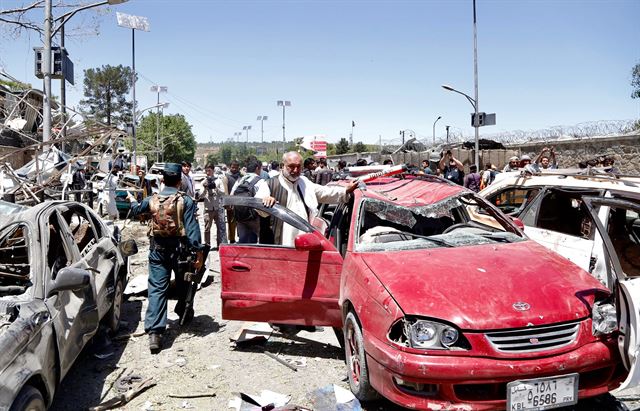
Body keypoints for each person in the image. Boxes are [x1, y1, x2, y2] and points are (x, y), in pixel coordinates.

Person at [127, 163, 204, 353]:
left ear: (162, 180)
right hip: (181, 252)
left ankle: (155, 332)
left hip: (157, 251)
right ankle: (183, 313)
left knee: (157, 289)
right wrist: (199, 252)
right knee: (184, 283)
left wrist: (131, 200)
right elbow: (193, 231)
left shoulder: (152, 200)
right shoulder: (185, 200)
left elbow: (137, 211)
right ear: (179, 181)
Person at [256, 152, 358, 246]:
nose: (295, 170)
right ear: (282, 166)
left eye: (298, 167)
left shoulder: (304, 182)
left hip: (305, 242)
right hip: (280, 245)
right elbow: (259, 205)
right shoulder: (269, 184)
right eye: (291, 167)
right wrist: (266, 200)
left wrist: (346, 190)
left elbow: (324, 192)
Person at [231, 158, 263, 243]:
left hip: (240, 216)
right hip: (254, 218)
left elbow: (231, 195)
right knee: (256, 242)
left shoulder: (240, 180)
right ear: (257, 168)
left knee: (243, 240)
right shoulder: (260, 181)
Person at [203, 164, 224, 248]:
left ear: (213, 170)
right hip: (208, 208)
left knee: (219, 228)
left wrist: (216, 187)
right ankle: (207, 245)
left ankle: (219, 245)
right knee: (207, 228)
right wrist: (205, 188)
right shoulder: (204, 181)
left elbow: (223, 193)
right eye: (206, 171)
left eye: (209, 170)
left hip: (217, 207)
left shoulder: (218, 180)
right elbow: (200, 195)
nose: (208, 172)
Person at [225, 160, 242, 243]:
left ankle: (241, 237)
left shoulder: (241, 176)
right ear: (229, 167)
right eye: (233, 167)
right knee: (231, 222)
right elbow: (225, 191)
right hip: (231, 203)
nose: (234, 169)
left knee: (240, 221)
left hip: (240, 202)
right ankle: (232, 239)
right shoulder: (227, 177)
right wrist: (227, 203)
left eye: (236, 167)